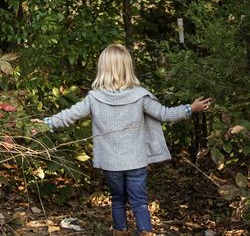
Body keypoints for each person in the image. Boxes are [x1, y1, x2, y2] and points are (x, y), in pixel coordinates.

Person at [32, 44, 211, 236]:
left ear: (103, 68)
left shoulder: (94, 98)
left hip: (111, 163)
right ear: (128, 67)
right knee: (139, 201)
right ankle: (145, 232)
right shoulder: (140, 95)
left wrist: (45, 123)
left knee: (118, 199)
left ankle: (120, 231)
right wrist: (191, 108)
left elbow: (70, 115)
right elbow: (164, 114)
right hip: (136, 161)